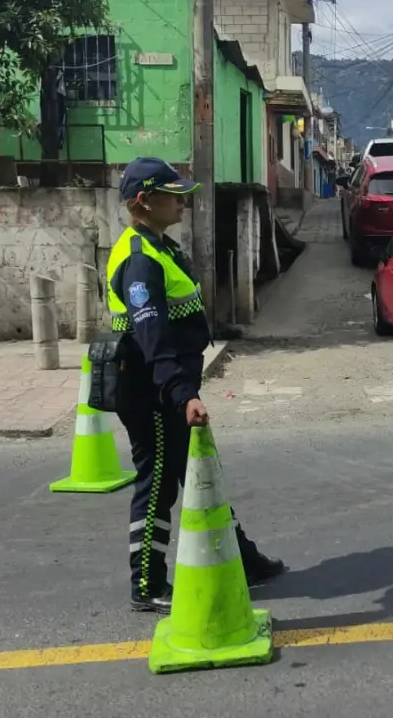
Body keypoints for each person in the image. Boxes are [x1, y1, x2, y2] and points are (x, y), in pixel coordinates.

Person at [107, 157, 286, 613]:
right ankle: (146, 584)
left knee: (202, 476)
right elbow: (153, 338)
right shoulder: (141, 260)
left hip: (169, 386)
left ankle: (242, 559)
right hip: (153, 391)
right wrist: (183, 395)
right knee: (159, 486)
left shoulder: (159, 247)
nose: (183, 201)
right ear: (144, 202)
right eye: (173, 194)